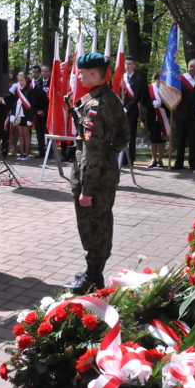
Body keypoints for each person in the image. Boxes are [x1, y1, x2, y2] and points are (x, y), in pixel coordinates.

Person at [63, 52, 129, 294]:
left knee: (93, 225)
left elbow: (92, 153)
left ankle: (93, 277)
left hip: (93, 178)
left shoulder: (96, 106)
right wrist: (110, 155)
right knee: (101, 222)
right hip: (105, 172)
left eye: (81, 72)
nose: (79, 76)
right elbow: (123, 136)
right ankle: (93, 271)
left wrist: (87, 190)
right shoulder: (111, 98)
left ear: (93, 73)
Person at [171, 59, 195, 170]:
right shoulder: (180, 79)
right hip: (181, 114)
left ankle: (193, 163)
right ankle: (179, 162)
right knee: (180, 140)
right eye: (190, 66)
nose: (192, 68)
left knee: (193, 140)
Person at [121, 56, 145, 166]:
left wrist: (126, 108)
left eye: (130, 64)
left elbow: (136, 98)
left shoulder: (138, 79)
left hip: (131, 111)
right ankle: (121, 157)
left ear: (134, 65)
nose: (128, 66)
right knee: (121, 134)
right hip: (120, 110)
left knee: (131, 135)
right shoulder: (121, 78)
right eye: (126, 63)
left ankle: (130, 158)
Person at [143, 71, 170, 168]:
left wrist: (162, 104)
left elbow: (170, 103)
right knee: (153, 138)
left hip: (163, 116)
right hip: (152, 115)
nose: (160, 81)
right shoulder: (149, 88)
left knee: (162, 138)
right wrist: (152, 103)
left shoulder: (167, 89)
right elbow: (144, 101)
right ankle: (153, 159)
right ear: (156, 78)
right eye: (159, 78)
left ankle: (160, 160)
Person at [32, 65, 50, 158]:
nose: (44, 73)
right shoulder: (38, 83)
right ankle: (41, 151)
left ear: (50, 72)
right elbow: (34, 99)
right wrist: (37, 111)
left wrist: (45, 111)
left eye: (46, 71)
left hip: (50, 112)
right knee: (39, 132)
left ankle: (50, 152)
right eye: (43, 71)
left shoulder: (53, 82)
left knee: (50, 132)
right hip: (39, 113)